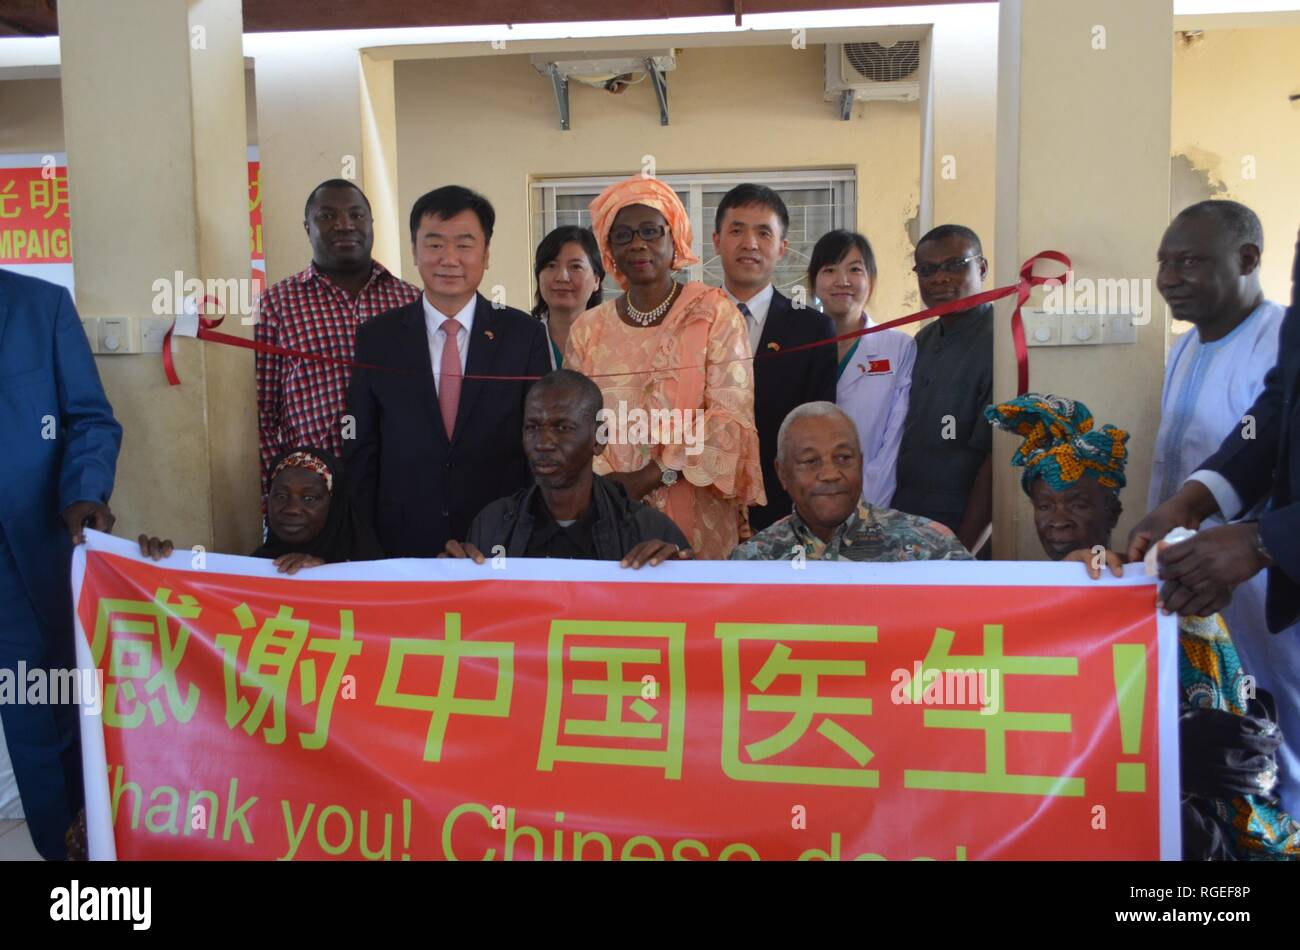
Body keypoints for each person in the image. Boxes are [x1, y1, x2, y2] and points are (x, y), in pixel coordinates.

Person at [986, 392, 1300, 859]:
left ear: (1113, 512)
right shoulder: (1010, 598)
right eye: (1044, 505)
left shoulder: (1165, 594)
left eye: (1076, 504)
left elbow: (1230, 751)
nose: (1057, 521)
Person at [1130, 229, 1300, 818]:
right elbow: (1276, 414)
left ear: (1248, 260)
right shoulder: (1183, 348)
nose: (1170, 277)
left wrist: (1262, 538)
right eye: (1164, 262)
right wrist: (1192, 502)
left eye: (1191, 260)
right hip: (1214, 565)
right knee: (1238, 720)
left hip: (1265, 569)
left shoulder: (1268, 335)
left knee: (1283, 720)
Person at [566, 174, 765, 559]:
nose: (638, 243)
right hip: (609, 506)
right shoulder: (588, 328)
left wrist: (648, 476)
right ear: (608, 249)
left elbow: (729, 416)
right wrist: (612, 486)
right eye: (622, 235)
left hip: (694, 503)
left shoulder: (713, 313)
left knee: (692, 613)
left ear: (675, 239)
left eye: (650, 231)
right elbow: (576, 419)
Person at [345, 185, 550, 557]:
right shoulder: (378, 337)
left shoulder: (524, 336)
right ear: (414, 251)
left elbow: (537, 446)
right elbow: (362, 446)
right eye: (435, 244)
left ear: (486, 254)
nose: (449, 259)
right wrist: (366, 546)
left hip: (498, 542)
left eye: (465, 244)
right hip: (402, 543)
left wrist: (523, 534)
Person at [0, 267, 122, 860]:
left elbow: (90, 418)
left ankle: (73, 862)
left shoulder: (40, 306)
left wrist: (86, 488)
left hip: (20, 556)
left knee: (41, 720)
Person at [254, 179, 420, 494]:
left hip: (399, 484)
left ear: (371, 224)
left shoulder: (411, 302)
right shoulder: (274, 305)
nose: (344, 225)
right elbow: (262, 415)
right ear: (307, 227)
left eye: (356, 215)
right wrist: (276, 494)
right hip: (314, 490)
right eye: (327, 216)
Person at [443, 370, 691, 566]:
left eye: (562, 428)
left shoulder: (648, 532)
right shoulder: (493, 525)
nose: (543, 443)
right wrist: (449, 579)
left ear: (599, 438)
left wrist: (677, 577)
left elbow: (685, 620)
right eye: (532, 427)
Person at [712, 184, 836, 532]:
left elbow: (815, 431)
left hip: (781, 514)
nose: (749, 243)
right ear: (716, 240)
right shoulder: (690, 321)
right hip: (702, 506)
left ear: (782, 248)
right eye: (736, 230)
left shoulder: (813, 329)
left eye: (763, 232)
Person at [730, 402, 970, 562]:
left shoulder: (932, 548)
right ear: (782, 473)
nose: (830, 473)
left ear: (861, 462)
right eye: (810, 461)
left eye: (843, 458)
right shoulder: (754, 561)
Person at [893, 224, 993, 556]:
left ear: (981, 268)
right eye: (928, 269)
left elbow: (994, 463)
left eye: (955, 265)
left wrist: (963, 550)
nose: (940, 278)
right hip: (907, 522)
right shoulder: (922, 340)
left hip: (961, 532)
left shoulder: (1000, 343)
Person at [139, 446, 381, 573]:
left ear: (335, 507)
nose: (292, 509)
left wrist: (326, 576)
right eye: (281, 496)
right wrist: (156, 566)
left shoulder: (374, 574)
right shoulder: (257, 568)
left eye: (309, 498)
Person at [808, 229, 915, 508]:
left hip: (875, 498)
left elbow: (895, 435)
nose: (842, 281)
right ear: (813, 282)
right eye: (830, 269)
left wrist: (870, 502)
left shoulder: (899, 347)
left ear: (871, 280)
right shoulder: (799, 345)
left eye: (854, 269)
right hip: (807, 498)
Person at [531, 226, 604, 369]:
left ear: (596, 280)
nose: (562, 277)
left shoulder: (615, 339)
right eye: (551, 265)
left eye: (575, 267)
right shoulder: (521, 339)